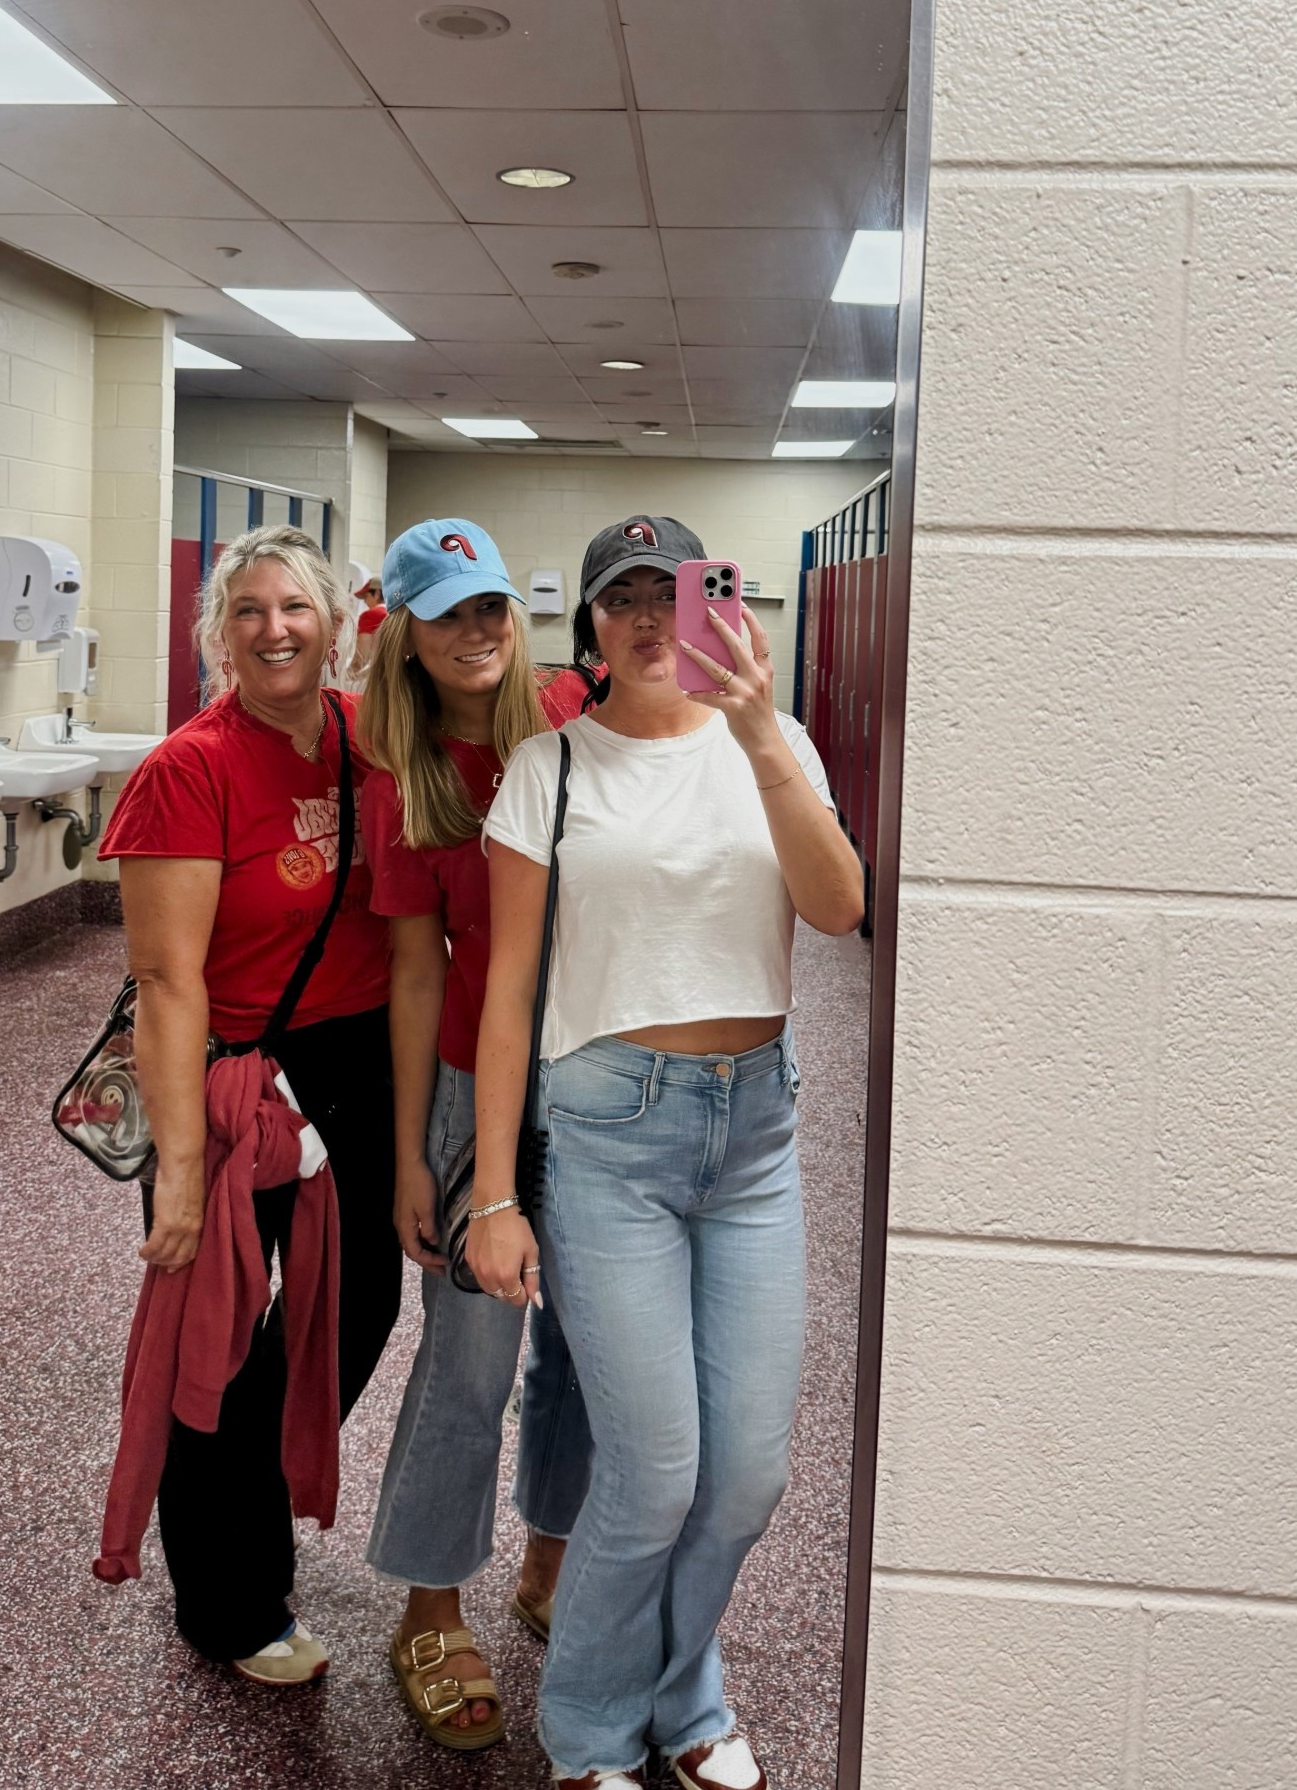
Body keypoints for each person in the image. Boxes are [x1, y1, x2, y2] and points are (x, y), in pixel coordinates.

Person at [467, 515, 865, 1790]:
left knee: (746, 1471)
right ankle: (590, 1729)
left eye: (675, 591)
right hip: (605, 1133)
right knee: (653, 1470)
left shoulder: (777, 741)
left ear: (721, 606)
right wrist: (492, 1192)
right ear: (587, 625)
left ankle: (685, 1693)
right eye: (620, 597)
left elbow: (839, 904)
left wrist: (758, 734)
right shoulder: (550, 767)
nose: (649, 617)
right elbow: (509, 989)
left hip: (753, 1131)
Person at [97, 523, 395, 1686]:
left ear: (336, 622)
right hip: (232, 1078)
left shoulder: (367, 739)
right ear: (219, 632)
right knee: (216, 1340)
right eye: (250, 609)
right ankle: (225, 1598)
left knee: (355, 1306)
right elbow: (169, 981)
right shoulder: (190, 767)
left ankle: (249, 1507)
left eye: (296, 607)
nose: (276, 627)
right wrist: (177, 1164)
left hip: (357, 1066)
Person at [355, 517, 592, 1752]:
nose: (477, 630)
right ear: (407, 629)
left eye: (492, 604)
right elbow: (412, 970)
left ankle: (550, 1565)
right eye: (449, 611)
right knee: (471, 1358)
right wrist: (411, 1152)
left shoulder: (566, 713)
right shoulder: (405, 777)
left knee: (597, 1351)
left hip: (603, 1082)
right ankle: (430, 1607)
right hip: (465, 1084)